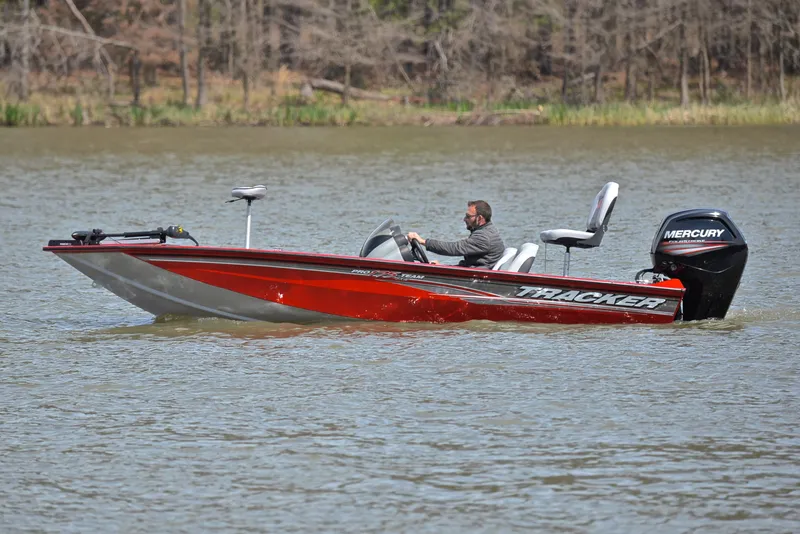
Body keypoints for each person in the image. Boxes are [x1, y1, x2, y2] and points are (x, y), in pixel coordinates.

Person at [407, 200, 505, 268]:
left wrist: (423, 241)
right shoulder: (487, 231)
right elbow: (469, 265)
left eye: (468, 216)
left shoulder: (484, 237)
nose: (464, 219)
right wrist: (443, 267)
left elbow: (454, 248)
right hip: (472, 275)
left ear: (479, 218)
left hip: (476, 280)